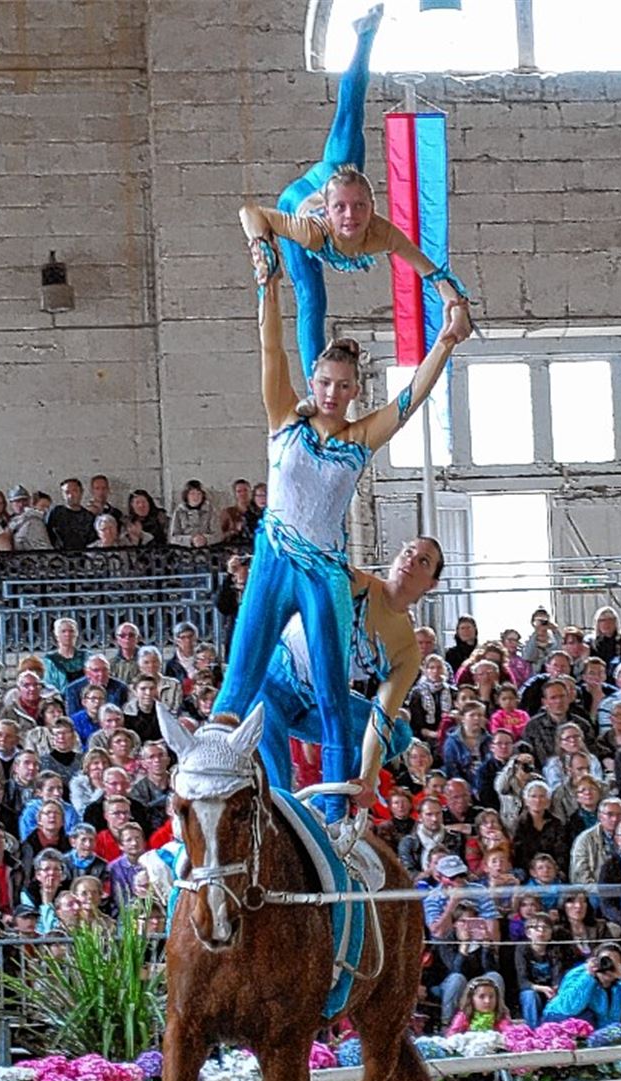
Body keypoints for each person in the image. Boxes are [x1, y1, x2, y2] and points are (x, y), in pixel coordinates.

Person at [210, 250, 466, 824]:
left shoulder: (360, 437)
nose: (331, 392)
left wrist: (445, 343)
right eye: (324, 382)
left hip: (324, 572)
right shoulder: (284, 417)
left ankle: (330, 813)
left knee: (332, 696)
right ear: (315, 382)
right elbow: (270, 350)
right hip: (275, 555)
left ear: (354, 391)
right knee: (240, 674)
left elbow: (410, 399)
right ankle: (222, 787)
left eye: (343, 385)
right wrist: (267, 287)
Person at [240, 5, 469, 379]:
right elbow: (251, 213)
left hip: (337, 180)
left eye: (360, 207)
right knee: (312, 298)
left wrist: (454, 303)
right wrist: (261, 246)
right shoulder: (312, 231)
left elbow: (431, 271)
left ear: (372, 206)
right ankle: (316, 382)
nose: (352, 217)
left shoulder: (381, 232)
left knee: (349, 144)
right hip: (298, 203)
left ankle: (365, 35)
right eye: (343, 210)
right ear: (330, 213)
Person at [256, 537, 442, 804]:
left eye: (423, 561)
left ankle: (322, 805)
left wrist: (367, 776)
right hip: (270, 687)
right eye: (408, 551)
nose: (411, 559)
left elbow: (382, 718)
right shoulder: (355, 582)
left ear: (431, 584)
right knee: (279, 793)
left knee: (400, 735)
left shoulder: (408, 650)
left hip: (316, 703)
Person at [543, 943, 621, 1028]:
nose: (608, 967)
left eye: (614, 963)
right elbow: (568, 1008)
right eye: (604, 961)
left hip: (600, 1029)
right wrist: (588, 976)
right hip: (562, 1022)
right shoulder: (579, 973)